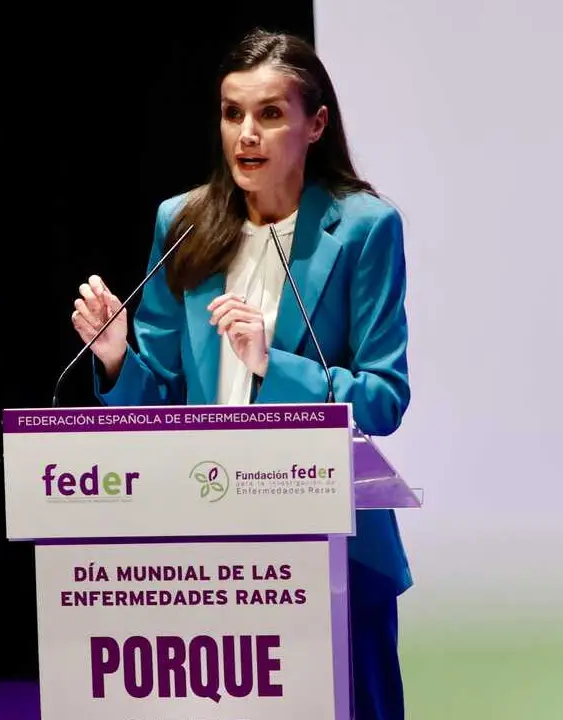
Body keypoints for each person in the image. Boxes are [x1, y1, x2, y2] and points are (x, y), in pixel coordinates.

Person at [69, 28, 412, 720]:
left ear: (315, 124)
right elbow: (162, 398)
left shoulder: (364, 228)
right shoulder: (183, 222)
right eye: (233, 114)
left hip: (334, 551)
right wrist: (115, 358)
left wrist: (271, 366)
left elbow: (383, 398)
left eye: (269, 114)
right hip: (213, 551)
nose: (246, 135)